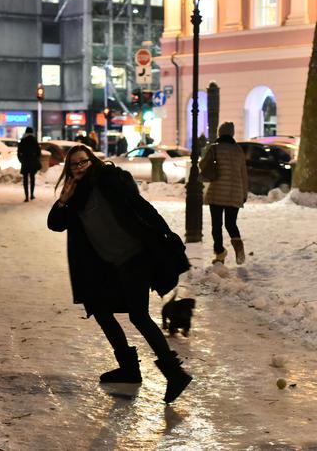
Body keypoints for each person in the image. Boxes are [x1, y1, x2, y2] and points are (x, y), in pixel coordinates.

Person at [47, 144, 193, 404]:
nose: (80, 167)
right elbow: (55, 224)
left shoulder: (112, 179)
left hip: (135, 258)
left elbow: (140, 207)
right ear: (69, 169)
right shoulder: (75, 195)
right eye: (75, 164)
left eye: (84, 162)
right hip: (107, 266)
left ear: (92, 161)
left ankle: (174, 372)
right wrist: (63, 200)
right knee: (101, 310)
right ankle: (128, 367)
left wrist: (165, 236)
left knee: (138, 315)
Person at [200, 122, 248, 265]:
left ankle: (220, 253)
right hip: (235, 192)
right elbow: (243, 174)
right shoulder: (238, 150)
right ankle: (239, 250)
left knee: (216, 225)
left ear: (220, 133)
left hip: (217, 192)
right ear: (232, 134)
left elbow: (203, 164)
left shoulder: (215, 148)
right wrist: (244, 193)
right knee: (231, 223)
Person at [17, 126, 42, 202]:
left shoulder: (23, 140)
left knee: (25, 179)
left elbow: (19, 152)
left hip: (25, 161)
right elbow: (39, 152)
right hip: (32, 161)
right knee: (32, 178)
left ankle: (26, 196)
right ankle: (32, 195)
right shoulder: (34, 140)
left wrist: (21, 160)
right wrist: (36, 158)